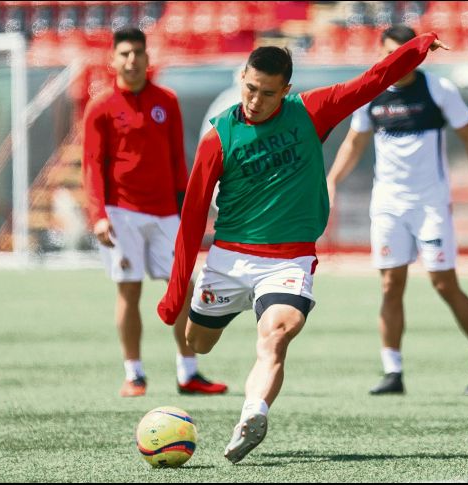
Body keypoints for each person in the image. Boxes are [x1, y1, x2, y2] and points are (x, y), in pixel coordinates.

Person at [158, 32, 450, 464]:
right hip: (229, 259)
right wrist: (175, 290)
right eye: (250, 88)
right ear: (242, 77)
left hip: (287, 261)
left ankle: (252, 416)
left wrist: (419, 45)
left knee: (275, 335)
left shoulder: (310, 112)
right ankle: (217, 318)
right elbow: (192, 219)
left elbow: (371, 80)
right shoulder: (217, 137)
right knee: (198, 343)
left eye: (268, 93)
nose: (256, 100)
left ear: (287, 91)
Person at [326, 25, 468, 397]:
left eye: (407, 54)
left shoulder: (439, 90)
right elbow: (354, 143)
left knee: (444, 283)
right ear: (382, 56)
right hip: (388, 204)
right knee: (390, 285)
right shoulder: (370, 94)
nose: (400, 62)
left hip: (430, 203)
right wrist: (331, 180)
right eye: (392, 55)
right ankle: (393, 371)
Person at [82, 27, 227, 398]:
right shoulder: (99, 107)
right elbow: (92, 166)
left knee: (184, 289)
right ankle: (134, 374)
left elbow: (178, 159)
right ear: (113, 59)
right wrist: (98, 214)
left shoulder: (167, 100)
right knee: (129, 291)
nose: (132, 60)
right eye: (125, 54)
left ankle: (188, 372)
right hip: (121, 213)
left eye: (138, 54)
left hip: (166, 213)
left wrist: (187, 209)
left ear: (148, 58)